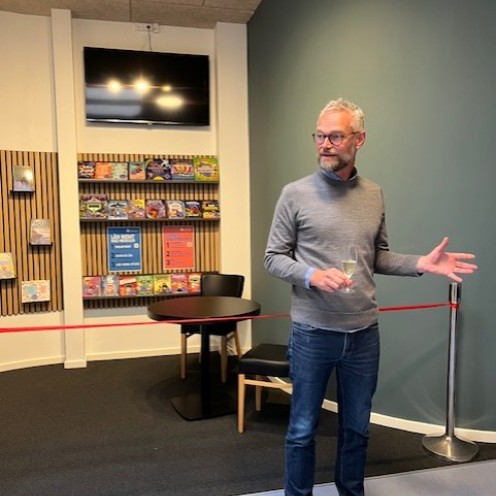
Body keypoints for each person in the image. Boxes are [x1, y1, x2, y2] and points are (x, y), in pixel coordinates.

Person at [263, 98, 478, 496]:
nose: (325, 144)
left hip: (364, 335)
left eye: (335, 136)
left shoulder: (373, 193)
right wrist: (311, 275)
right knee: (302, 430)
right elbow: (273, 257)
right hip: (312, 334)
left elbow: (376, 256)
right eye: (319, 136)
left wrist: (421, 263)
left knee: (357, 430)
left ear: (358, 139)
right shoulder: (295, 194)